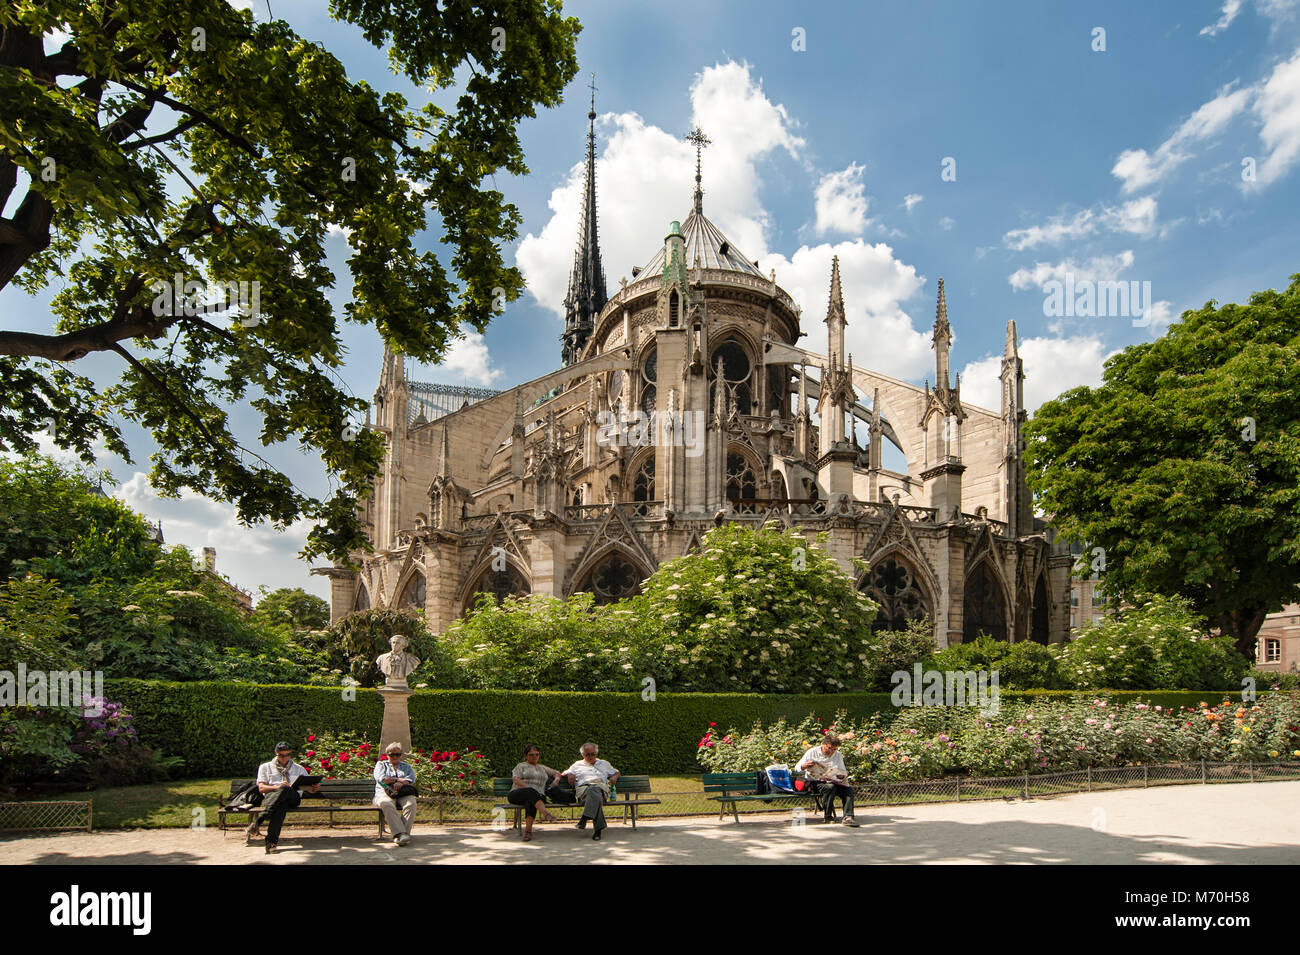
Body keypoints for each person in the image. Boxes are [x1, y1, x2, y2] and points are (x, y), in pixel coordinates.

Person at [249, 741, 321, 853]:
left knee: (286, 789)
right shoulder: (265, 767)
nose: (284, 758)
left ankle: (260, 820)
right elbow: (262, 788)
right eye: (281, 755)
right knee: (281, 805)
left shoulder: (299, 768)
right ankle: (271, 843)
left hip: (293, 798)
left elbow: (307, 788)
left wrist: (314, 788)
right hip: (272, 798)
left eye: (287, 755)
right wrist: (278, 787)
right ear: (276, 753)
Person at [794, 734, 860, 827]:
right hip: (815, 782)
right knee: (829, 788)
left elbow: (843, 770)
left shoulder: (838, 755)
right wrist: (804, 766)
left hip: (834, 781)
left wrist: (842, 775)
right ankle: (828, 816)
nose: (831, 751)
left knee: (848, 791)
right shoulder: (812, 752)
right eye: (829, 748)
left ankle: (848, 817)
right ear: (823, 744)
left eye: (834, 749)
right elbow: (797, 768)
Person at [559, 742, 620, 840]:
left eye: (593, 754)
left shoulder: (604, 763)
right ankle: (597, 830)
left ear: (596, 753)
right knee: (595, 795)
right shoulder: (577, 765)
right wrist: (569, 774)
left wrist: (615, 777)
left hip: (601, 789)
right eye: (588, 755)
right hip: (584, 791)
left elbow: (616, 772)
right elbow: (563, 773)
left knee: (594, 790)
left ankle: (585, 818)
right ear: (583, 755)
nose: (591, 757)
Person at [508, 744, 562, 841]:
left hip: (538, 797)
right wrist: (530, 789)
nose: (534, 757)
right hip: (517, 794)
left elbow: (557, 773)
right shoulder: (521, 766)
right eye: (531, 755)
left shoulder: (542, 768)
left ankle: (528, 832)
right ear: (526, 756)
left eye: (537, 754)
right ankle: (546, 814)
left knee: (531, 800)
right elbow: (516, 780)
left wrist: (556, 780)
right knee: (531, 794)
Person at [373, 742, 418, 846]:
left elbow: (411, 779)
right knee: (387, 804)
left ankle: (401, 835)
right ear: (387, 755)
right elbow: (382, 779)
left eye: (397, 754)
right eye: (391, 754)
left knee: (411, 804)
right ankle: (402, 834)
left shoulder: (406, 767)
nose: (394, 757)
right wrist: (398, 779)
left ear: (401, 755)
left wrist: (400, 783)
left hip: (403, 793)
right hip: (384, 794)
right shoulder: (381, 765)